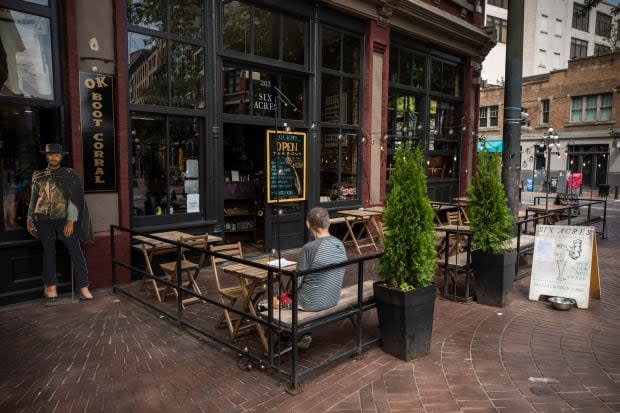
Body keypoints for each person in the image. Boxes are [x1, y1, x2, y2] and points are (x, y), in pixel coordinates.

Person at [26, 143, 94, 301]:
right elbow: (33, 199)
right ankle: (51, 286)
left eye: (57, 155)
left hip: (64, 219)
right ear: (46, 156)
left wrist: (71, 220)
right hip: (42, 218)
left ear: (61, 157)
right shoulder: (38, 175)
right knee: (48, 252)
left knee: (75, 250)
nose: (53, 158)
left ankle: (83, 286)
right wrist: (30, 219)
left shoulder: (69, 174)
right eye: (50, 155)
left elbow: (75, 199)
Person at [276, 207, 347, 352]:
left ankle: (286, 339)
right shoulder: (339, 243)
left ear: (308, 224)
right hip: (333, 297)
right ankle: (304, 333)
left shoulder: (309, 248)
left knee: (274, 303)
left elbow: (298, 281)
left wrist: (286, 294)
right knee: (291, 295)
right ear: (329, 222)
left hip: (310, 302)